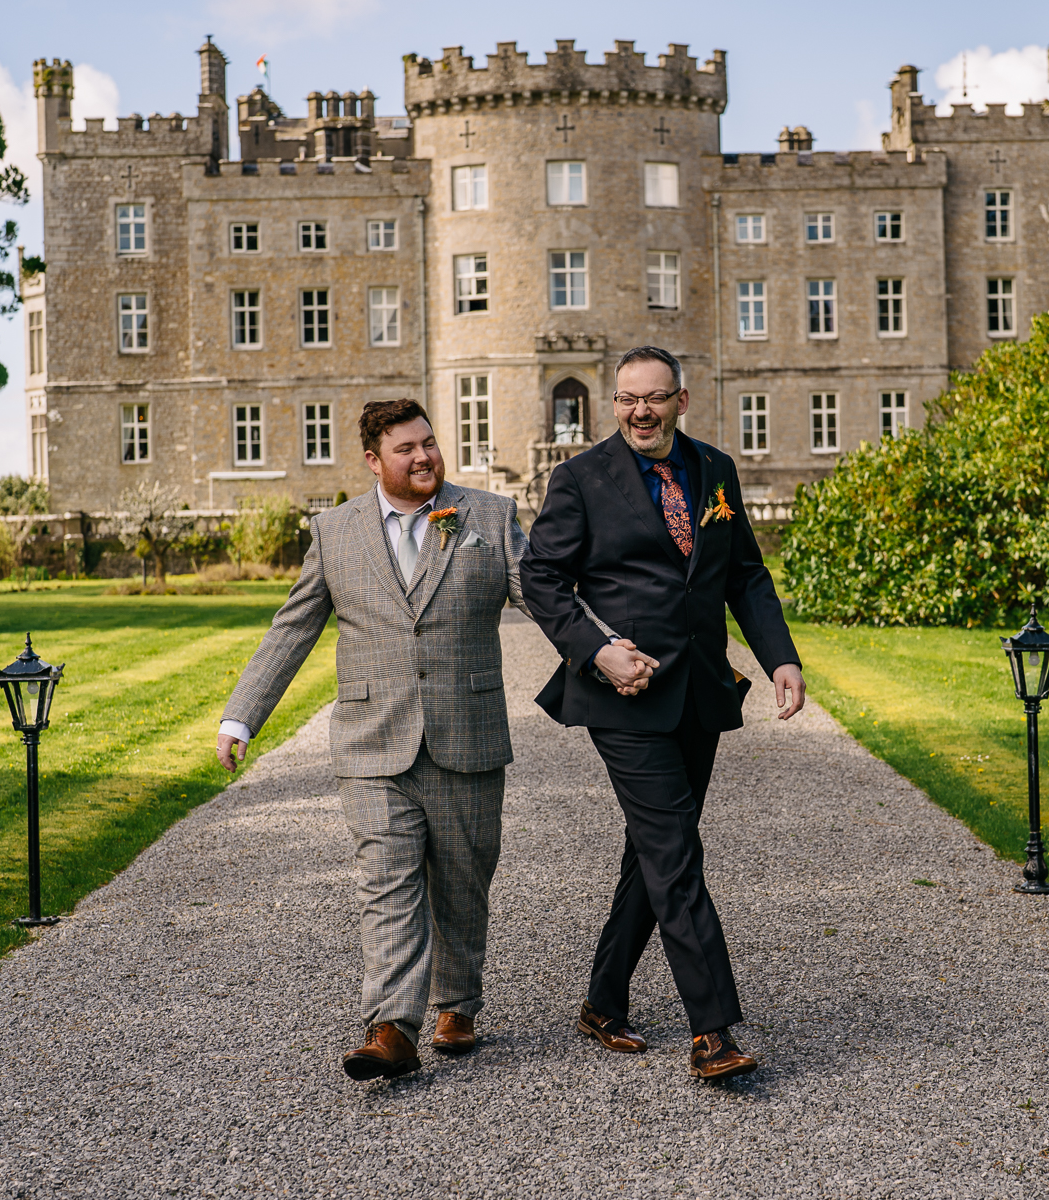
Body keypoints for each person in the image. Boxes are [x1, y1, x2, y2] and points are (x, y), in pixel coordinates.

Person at [216, 399, 526, 1080]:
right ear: (372, 460)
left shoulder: (490, 518)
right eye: (407, 449)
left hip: (467, 732)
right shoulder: (334, 532)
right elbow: (292, 627)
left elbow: (547, 599)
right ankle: (391, 1026)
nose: (424, 458)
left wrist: (610, 651)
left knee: (464, 881)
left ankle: (459, 1000)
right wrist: (241, 716)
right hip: (371, 741)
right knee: (386, 884)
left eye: (430, 443)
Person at [520, 345, 805, 1082]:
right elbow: (541, 578)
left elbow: (744, 572)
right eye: (625, 399)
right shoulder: (580, 479)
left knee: (652, 854)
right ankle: (713, 1030)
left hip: (702, 689)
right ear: (615, 404)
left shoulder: (715, 470)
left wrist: (780, 656)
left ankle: (601, 1000)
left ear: (682, 399)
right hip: (625, 693)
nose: (638, 411)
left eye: (652, 398)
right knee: (675, 852)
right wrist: (599, 648)